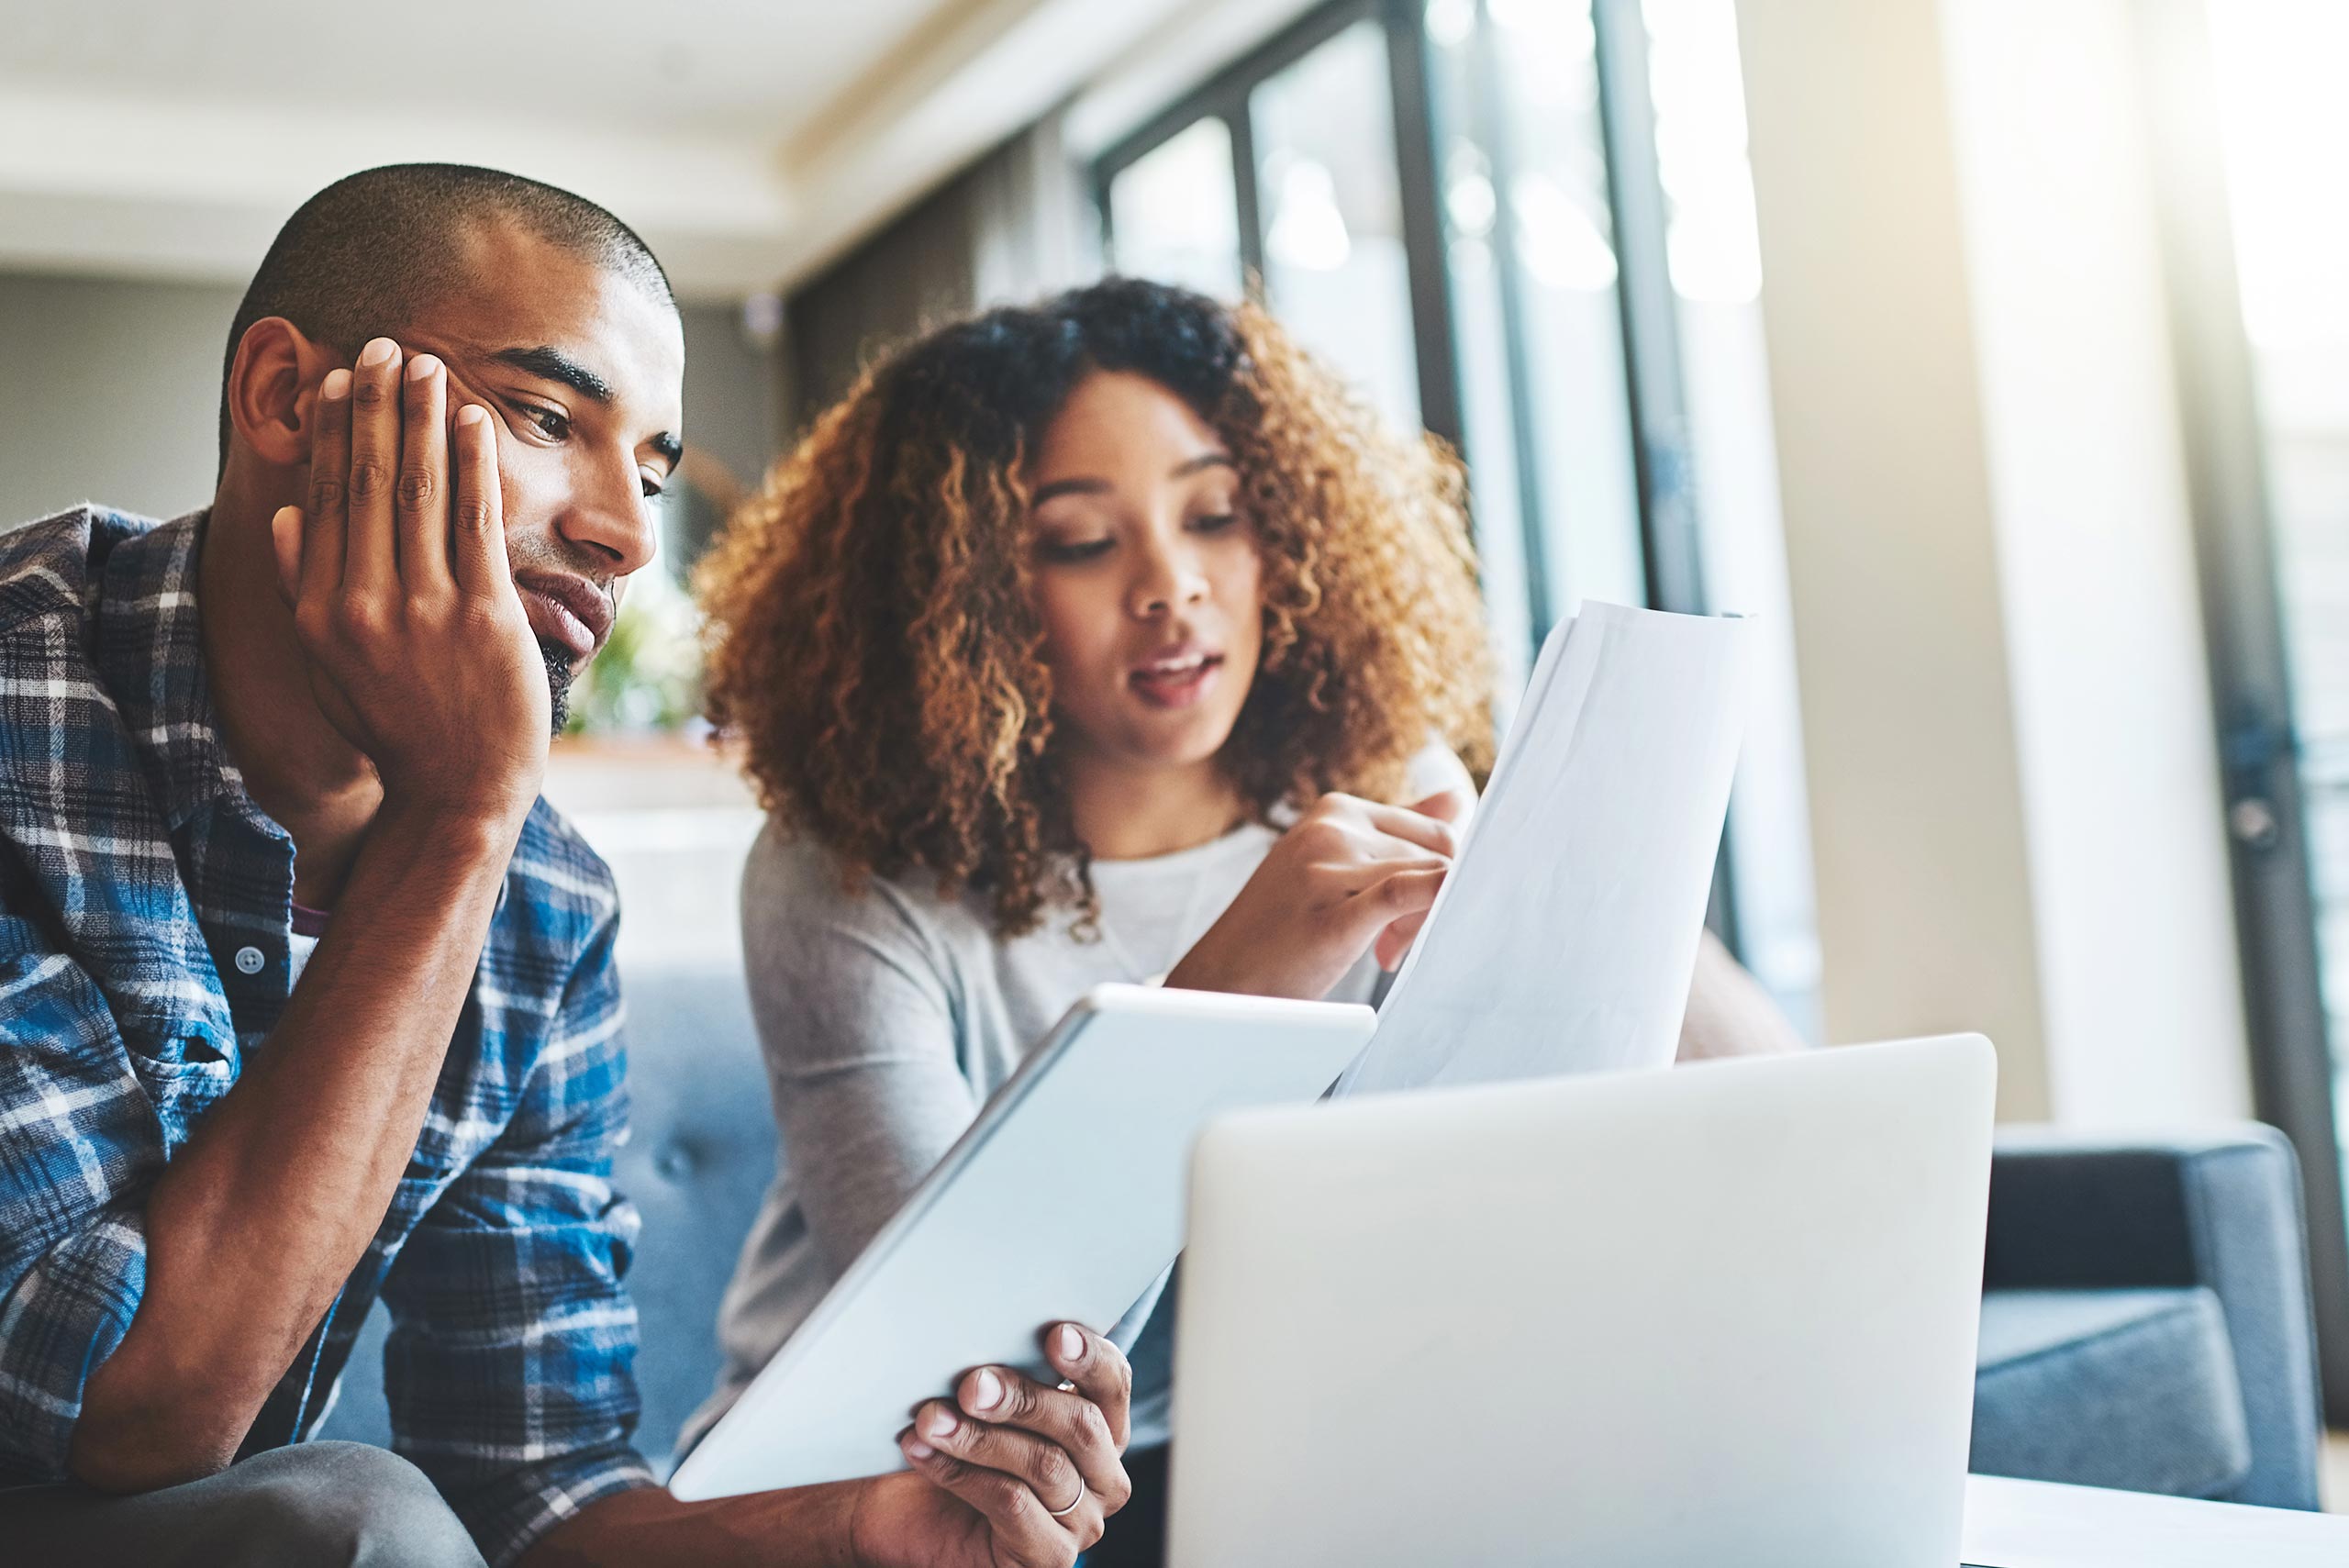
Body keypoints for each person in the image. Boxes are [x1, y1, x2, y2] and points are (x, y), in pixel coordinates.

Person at [0, 164, 1133, 1568]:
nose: (628, 532)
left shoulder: (542, 897)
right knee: (355, 1520)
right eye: (548, 417)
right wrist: (458, 810)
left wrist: (857, 1531)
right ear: (288, 399)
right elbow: (127, 1412)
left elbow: (534, 1490)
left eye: (650, 471)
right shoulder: (29, 711)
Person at [690, 278, 1804, 1562]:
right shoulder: (844, 872)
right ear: (964, 594)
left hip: (1255, 1467)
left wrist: (1547, 857)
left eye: (1213, 514)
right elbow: (961, 1360)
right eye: (1081, 540)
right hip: (889, 1497)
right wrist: (1236, 981)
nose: (1172, 586)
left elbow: (1770, 1109)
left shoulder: (1355, 792)